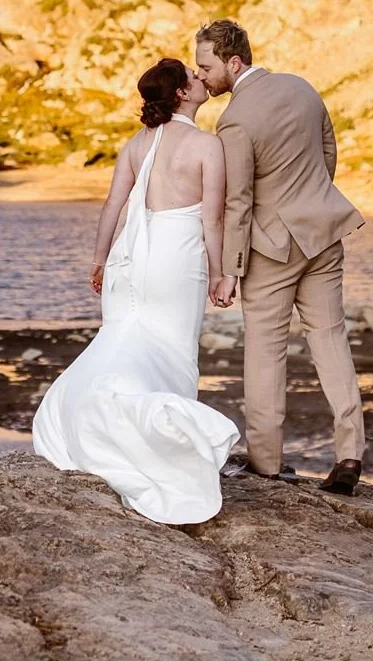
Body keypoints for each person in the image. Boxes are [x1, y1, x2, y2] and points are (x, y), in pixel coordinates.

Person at [31, 57, 242, 524]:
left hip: (129, 257)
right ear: (182, 94)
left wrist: (100, 259)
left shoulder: (134, 144)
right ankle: (165, 442)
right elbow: (212, 219)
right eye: (192, 77)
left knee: (125, 338)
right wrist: (221, 272)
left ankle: (97, 420)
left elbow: (113, 203)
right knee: (173, 350)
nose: (200, 80)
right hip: (173, 258)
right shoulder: (208, 145)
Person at [194, 19, 367, 495]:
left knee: (266, 353)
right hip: (324, 232)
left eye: (206, 66)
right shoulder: (303, 88)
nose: (202, 76)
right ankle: (350, 452)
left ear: (234, 62)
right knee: (331, 339)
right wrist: (310, 199)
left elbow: (239, 200)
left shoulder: (234, 120)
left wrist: (230, 270)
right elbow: (328, 152)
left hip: (272, 248)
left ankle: (266, 463)